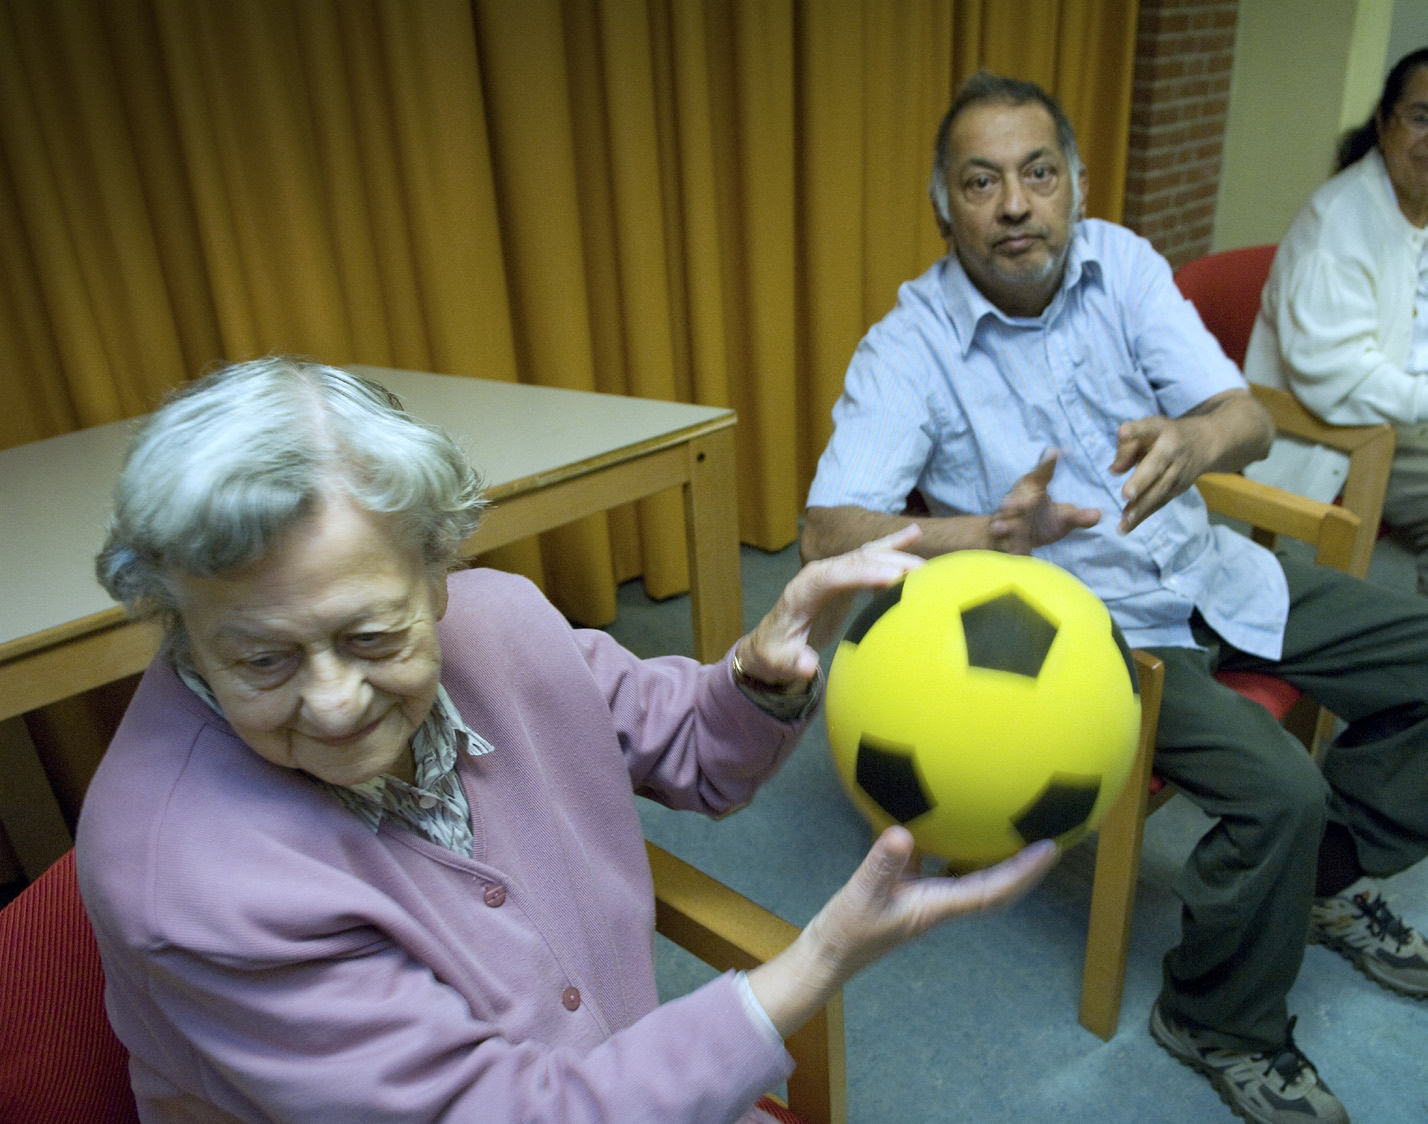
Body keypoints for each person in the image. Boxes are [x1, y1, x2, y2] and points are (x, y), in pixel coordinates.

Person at [75, 357, 1057, 1124]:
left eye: (372, 635)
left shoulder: (500, 620)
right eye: (262, 660)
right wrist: (815, 961)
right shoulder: (186, 879)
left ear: (436, 571)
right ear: (180, 622)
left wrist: (758, 672)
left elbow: (691, 753)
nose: (333, 701)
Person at [802, 72, 1428, 1124]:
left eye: (1039, 173)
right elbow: (830, 530)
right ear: (943, 204)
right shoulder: (906, 345)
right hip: (1090, 636)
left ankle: (1324, 879)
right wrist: (988, 533)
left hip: (1212, 569)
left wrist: (1194, 438)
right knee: (1282, 788)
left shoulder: (1125, 266)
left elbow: (1247, 419)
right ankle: (1218, 1018)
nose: (1015, 203)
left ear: (1076, 185)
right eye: (982, 179)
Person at [1244, 47, 1428, 594]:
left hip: (1400, 420)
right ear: (1383, 122)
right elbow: (1336, 377)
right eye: (1421, 118)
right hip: (1337, 431)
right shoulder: (1340, 222)